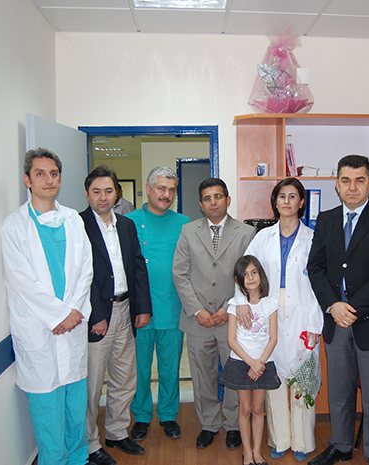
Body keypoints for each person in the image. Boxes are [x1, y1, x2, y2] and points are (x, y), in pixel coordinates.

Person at [307, 155, 369, 465]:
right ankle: (341, 445)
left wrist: (352, 309)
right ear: (336, 185)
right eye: (346, 180)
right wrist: (333, 305)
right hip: (335, 323)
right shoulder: (326, 220)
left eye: (359, 180)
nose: (352, 187)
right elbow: (315, 267)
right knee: (339, 392)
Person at [1, 148, 93, 465]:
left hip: (72, 327)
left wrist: (72, 313)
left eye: (54, 174)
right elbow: (21, 281)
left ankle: (79, 459)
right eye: (40, 174)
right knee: (47, 412)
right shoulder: (14, 226)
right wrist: (59, 315)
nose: (48, 180)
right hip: (40, 330)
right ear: (27, 180)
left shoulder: (73, 220)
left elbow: (86, 270)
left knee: (75, 408)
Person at [234, 178, 323, 462]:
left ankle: (303, 442)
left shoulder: (314, 238)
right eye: (281, 196)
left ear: (301, 202)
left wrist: (315, 324)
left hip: (303, 314)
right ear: (275, 202)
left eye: (293, 196)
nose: (287, 201)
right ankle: (280, 439)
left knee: (302, 378)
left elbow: (321, 285)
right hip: (268, 313)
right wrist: (240, 303)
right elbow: (244, 272)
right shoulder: (263, 237)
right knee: (273, 379)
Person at [173, 178, 256, 449]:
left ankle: (233, 424)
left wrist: (228, 307)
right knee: (202, 375)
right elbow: (180, 273)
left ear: (227, 200)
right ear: (201, 204)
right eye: (207, 198)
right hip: (197, 319)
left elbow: (249, 276)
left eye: (218, 196)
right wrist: (197, 310)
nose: (213, 202)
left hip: (232, 319)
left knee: (233, 373)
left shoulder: (246, 233)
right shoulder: (188, 231)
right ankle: (209, 423)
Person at [80, 166, 152, 465]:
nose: (103, 197)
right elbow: (80, 276)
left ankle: (117, 432)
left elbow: (137, 266)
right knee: (92, 384)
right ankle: (89, 444)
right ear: (87, 194)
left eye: (108, 191)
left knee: (125, 378)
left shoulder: (126, 225)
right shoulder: (78, 225)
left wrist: (143, 307)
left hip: (126, 311)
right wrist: (95, 314)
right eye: (96, 191)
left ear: (116, 194)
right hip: (98, 314)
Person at [125, 166, 190, 441]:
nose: (167, 195)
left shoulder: (184, 223)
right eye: (161, 188)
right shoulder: (128, 222)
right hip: (139, 311)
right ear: (148, 188)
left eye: (171, 190)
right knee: (138, 370)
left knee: (170, 368)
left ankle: (168, 414)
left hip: (172, 308)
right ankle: (141, 416)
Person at [222, 255, 281, 465]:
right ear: (238, 280)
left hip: (263, 364)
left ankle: (257, 452)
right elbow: (231, 340)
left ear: (260, 274)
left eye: (254, 272)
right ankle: (247, 453)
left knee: (258, 409)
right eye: (245, 274)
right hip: (241, 364)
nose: (251, 278)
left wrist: (260, 363)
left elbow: (273, 338)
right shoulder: (233, 306)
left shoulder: (270, 303)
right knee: (245, 408)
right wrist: (251, 363)